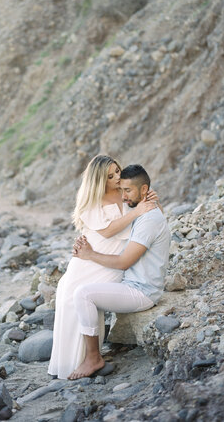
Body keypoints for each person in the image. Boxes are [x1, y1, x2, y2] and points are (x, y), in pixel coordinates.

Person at [47, 155, 158, 380]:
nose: (118, 177)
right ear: (99, 180)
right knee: (69, 294)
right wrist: (138, 211)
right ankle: (70, 363)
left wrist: (150, 200)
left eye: (117, 171)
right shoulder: (91, 201)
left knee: (89, 298)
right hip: (89, 261)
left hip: (112, 261)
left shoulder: (127, 192)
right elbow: (107, 231)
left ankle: (91, 358)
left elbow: (150, 218)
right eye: (111, 176)